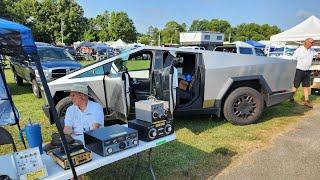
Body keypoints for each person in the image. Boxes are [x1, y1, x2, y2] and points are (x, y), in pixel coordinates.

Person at [291, 38, 320, 108]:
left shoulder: (312, 50)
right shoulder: (299, 49)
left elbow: (318, 55)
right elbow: (293, 59)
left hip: (307, 71)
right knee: (296, 85)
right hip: (299, 70)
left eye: (313, 42)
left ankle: (306, 101)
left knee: (306, 86)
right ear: (306, 42)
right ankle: (291, 97)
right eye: (311, 42)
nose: (312, 44)